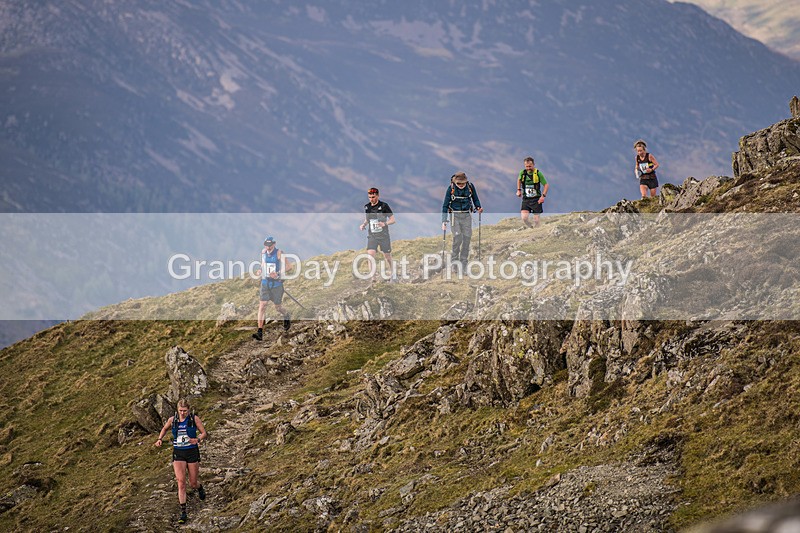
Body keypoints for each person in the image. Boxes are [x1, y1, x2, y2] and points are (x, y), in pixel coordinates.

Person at [154, 399, 208, 524]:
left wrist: (198, 439)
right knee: (181, 482)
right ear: (177, 410)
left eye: (185, 411)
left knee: (193, 483)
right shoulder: (173, 420)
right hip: (178, 452)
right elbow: (164, 429)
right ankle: (183, 512)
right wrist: (159, 439)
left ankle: (199, 488)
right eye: (180, 411)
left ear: (189, 410)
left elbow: (204, 433)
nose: (182, 413)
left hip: (192, 452)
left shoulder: (194, 419)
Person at [253, 236, 291, 340]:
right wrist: (260, 270)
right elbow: (263, 264)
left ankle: (286, 315)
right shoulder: (263, 252)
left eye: (270, 245)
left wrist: (277, 273)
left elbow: (289, 267)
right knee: (262, 306)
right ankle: (259, 332)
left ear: (274, 244)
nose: (268, 247)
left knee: (278, 307)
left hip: (276, 285)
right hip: (265, 283)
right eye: (266, 245)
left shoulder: (279, 253)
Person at [441, 172, 482, 269]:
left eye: (462, 183)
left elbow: (475, 199)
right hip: (455, 216)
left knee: (467, 239)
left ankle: (464, 264)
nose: (461, 185)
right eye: (458, 183)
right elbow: (445, 205)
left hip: (467, 215)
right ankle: (454, 262)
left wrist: (478, 207)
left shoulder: (470, 187)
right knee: (458, 237)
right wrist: (444, 221)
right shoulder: (451, 188)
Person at [359, 187, 396, 282]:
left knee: (387, 256)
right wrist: (363, 224)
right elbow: (368, 219)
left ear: (378, 196)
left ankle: (393, 273)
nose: (371, 199)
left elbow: (393, 220)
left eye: (373, 197)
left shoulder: (384, 206)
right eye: (370, 197)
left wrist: (385, 224)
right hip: (372, 235)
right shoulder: (367, 207)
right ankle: (373, 278)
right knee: (370, 255)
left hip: (383, 236)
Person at [516, 156, 549, 228]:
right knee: (524, 218)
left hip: (536, 199)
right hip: (526, 199)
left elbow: (546, 185)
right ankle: (530, 228)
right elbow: (519, 180)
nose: (528, 168)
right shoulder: (523, 173)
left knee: (536, 220)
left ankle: (537, 230)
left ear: (533, 164)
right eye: (526, 166)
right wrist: (518, 190)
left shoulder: (538, 174)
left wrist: (543, 196)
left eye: (530, 166)